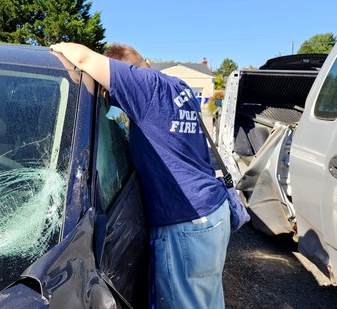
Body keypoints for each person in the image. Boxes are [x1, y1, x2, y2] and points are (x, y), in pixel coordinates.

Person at [50, 42, 231, 309]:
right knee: (207, 299)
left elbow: (84, 59)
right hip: (212, 212)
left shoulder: (144, 86)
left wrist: (56, 47)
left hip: (185, 221)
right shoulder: (177, 86)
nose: (112, 101)